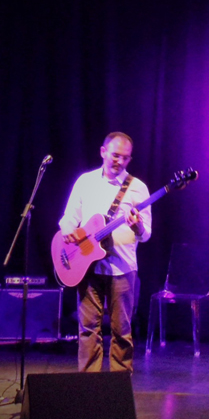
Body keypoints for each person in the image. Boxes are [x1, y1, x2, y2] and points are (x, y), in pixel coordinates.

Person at [58, 132, 152, 372]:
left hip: (123, 268)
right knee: (88, 329)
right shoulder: (85, 182)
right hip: (87, 267)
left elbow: (146, 234)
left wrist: (137, 226)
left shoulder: (138, 188)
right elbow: (69, 217)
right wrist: (67, 230)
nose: (119, 161)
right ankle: (89, 387)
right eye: (115, 155)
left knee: (122, 331)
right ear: (103, 152)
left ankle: (119, 386)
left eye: (125, 157)